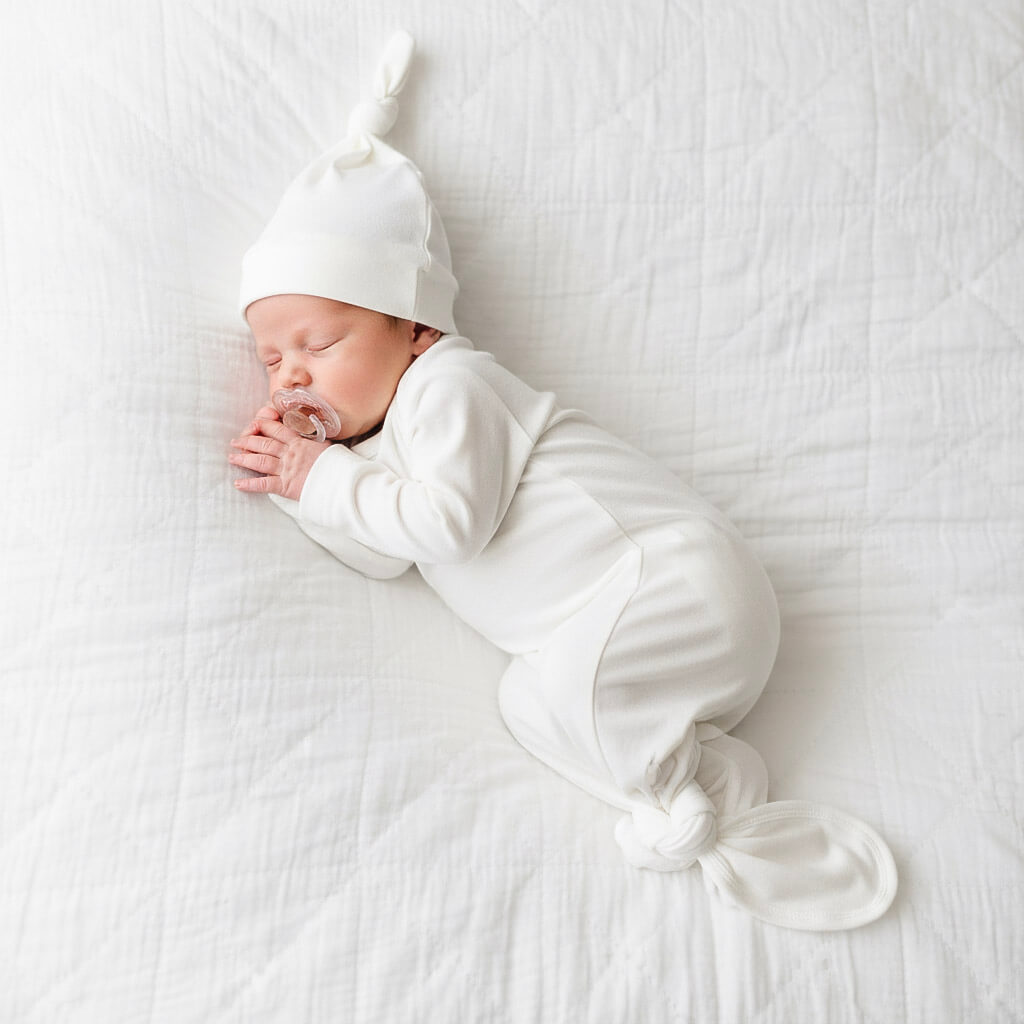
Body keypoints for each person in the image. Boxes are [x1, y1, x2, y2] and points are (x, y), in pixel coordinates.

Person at [228, 31, 896, 931]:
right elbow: (386, 554)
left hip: (671, 585)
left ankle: (677, 802)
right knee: (530, 704)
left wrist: (322, 479)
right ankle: (698, 786)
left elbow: (450, 528)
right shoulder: (378, 457)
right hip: (632, 647)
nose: (292, 374)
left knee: (561, 694)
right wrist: (300, 486)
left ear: (414, 328)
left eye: (318, 342)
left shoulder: (451, 385)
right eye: (272, 359)